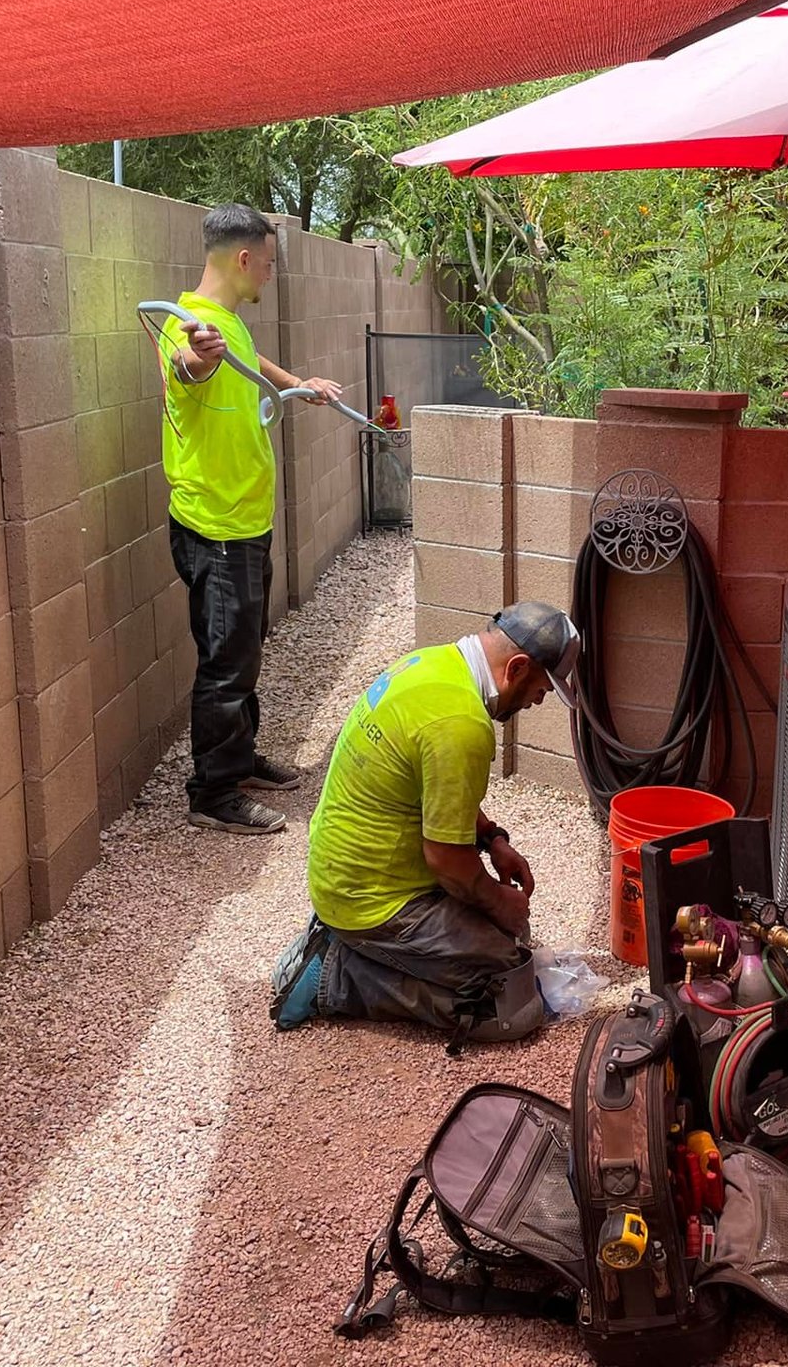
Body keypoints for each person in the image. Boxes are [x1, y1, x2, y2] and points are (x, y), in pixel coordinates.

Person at [269, 603, 582, 1045]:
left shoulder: (434, 664)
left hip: (348, 873)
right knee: (512, 1000)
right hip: (372, 899)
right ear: (517, 667)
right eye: (542, 688)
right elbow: (446, 860)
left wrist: (492, 839)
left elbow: (433, 786)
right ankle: (336, 975)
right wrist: (497, 901)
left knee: (512, 934)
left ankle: (354, 943)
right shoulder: (461, 723)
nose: (539, 700)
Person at [160, 204, 344, 834]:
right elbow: (194, 368)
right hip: (216, 526)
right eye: (267, 263)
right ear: (243, 260)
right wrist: (198, 359)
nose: (269, 274)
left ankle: (237, 758)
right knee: (226, 661)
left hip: (244, 521)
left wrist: (300, 382)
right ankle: (211, 793)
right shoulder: (189, 331)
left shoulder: (228, 323)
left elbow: (247, 361)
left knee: (243, 651)